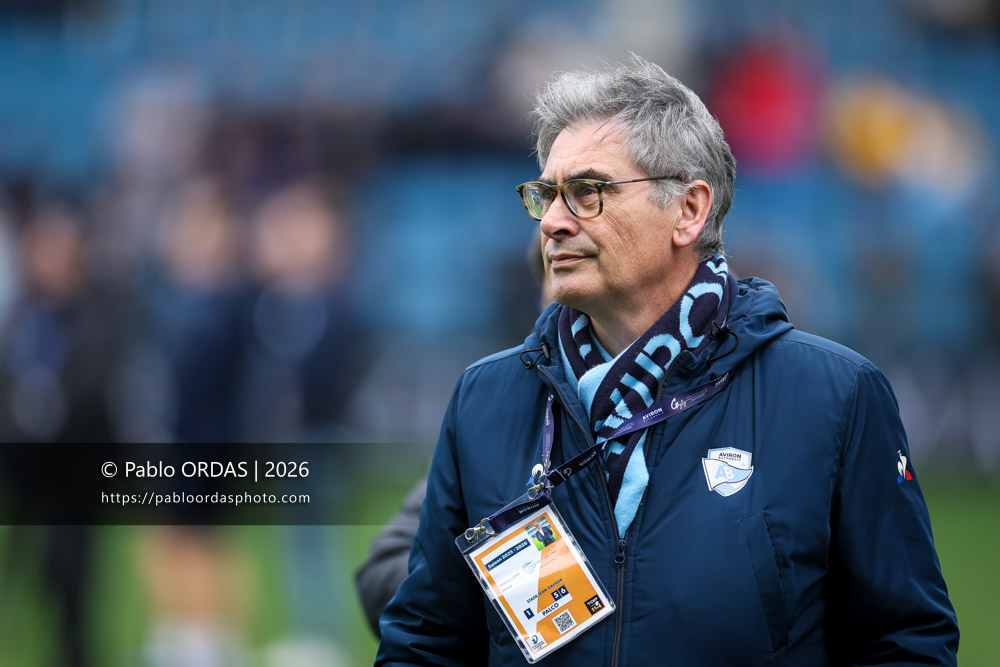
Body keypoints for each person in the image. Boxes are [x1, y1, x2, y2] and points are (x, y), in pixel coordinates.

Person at [376, 55, 958, 666]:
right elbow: (426, 642)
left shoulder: (836, 396)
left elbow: (905, 644)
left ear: (689, 210)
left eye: (587, 192)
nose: (551, 222)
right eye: (546, 195)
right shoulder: (485, 398)